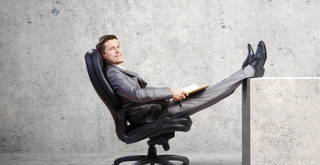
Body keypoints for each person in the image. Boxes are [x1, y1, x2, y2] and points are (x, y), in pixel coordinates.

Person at [96, 35, 267, 125]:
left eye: (118, 46)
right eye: (112, 49)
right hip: (153, 114)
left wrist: (173, 94)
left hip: (156, 107)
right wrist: (170, 92)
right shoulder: (113, 73)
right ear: (104, 55)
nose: (118, 50)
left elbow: (139, 94)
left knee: (206, 91)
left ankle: (246, 69)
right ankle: (250, 69)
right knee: (211, 94)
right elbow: (137, 94)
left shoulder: (115, 70)